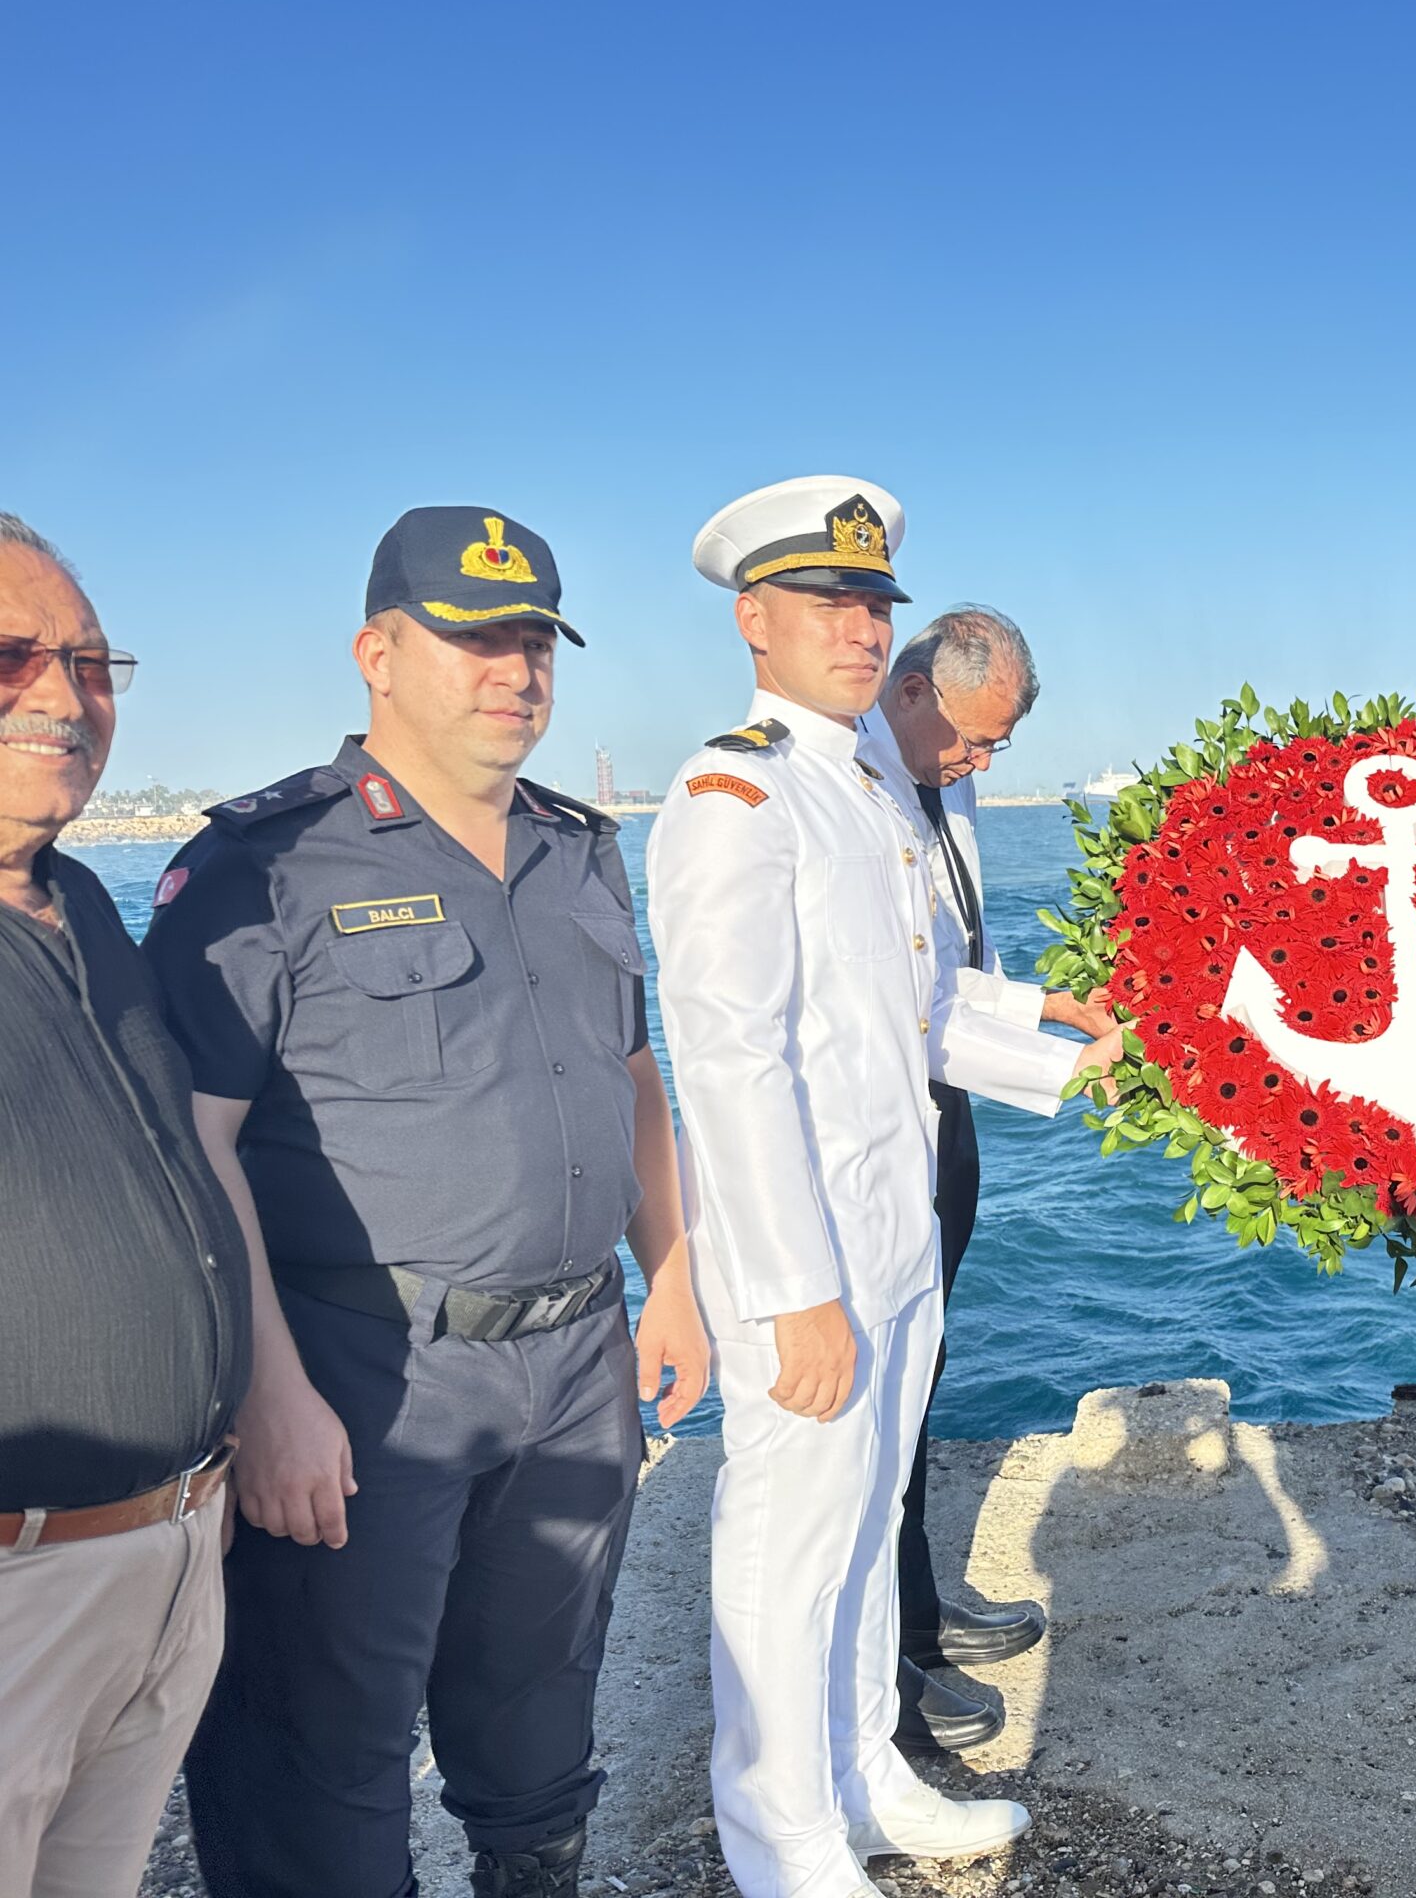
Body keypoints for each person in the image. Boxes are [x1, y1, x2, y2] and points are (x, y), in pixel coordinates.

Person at [143, 507, 709, 1898]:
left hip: (575, 1362)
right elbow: (193, 1149)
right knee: (319, 1754)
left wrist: (676, 1276)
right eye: (476, 640)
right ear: (378, 654)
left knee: (541, 1721)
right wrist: (268, 1394)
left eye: (536, 643)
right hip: (367, 1372)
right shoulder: (266, 863)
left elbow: (632, 1073)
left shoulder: (578, 849)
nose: (515, 671)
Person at [650, 476, 1123, 1898]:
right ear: (755, 620)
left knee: (865, 1522)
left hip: (894, 1221)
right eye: (827, 603)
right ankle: (781, 1836)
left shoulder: (871, 790)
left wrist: (1078, 1051)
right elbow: (726, 1058)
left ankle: (864, 1776)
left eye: (872, 604)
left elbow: (915, 1015)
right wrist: (792, 1289)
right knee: (788, 1540)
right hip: (806, 1245)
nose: (859, 629)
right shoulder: (735, 793)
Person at [0, 512, 248, 1897]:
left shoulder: (86, 901)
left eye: (89, 664)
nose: (61, 694)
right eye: (9, 656)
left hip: (168, 1555)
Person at [875, 605, 1115, 1751]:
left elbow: (956, 968)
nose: (977, 764)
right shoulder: (852, 796)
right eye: (971, 740)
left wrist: (1046, 1005)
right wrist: (1067, 1068)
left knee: (921, 1379)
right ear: (911, 691)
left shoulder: (942, 780)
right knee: (876, 1407)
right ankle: (887, 1664)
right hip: (882, 1133)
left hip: (947, 1123)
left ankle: (917, 1613)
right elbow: (904, 1009)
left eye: (997, 747)